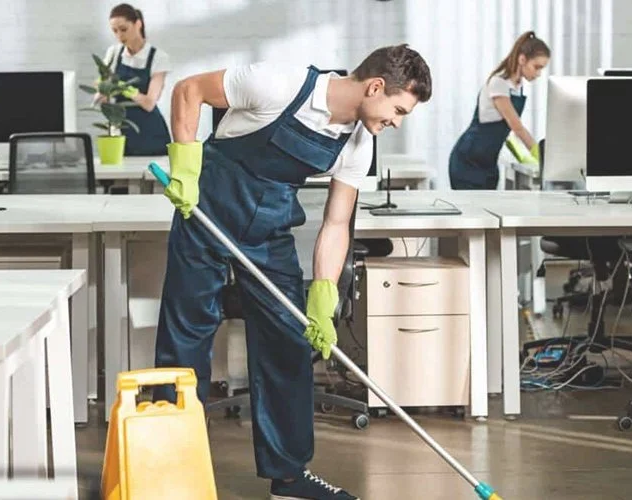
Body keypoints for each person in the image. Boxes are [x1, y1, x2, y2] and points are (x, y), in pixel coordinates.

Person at [154, 45, 432, 500]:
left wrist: (323, 295)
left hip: (270, 231)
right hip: (206, 212)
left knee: (287, 344)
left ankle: (289, 478)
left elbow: (337, 222)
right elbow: (189, 91)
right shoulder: (280, 84)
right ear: (376, 87)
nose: (396, 121)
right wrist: (184, 167)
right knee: (184, 340)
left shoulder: (360, 141)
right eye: (399, 109)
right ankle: (165, 473)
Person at [448, 31, 550, 190]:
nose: (538, 74)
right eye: (536, 67)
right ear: (522, 59)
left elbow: (505, 131)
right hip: (468, 161)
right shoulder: (499, 83)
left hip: (488, 163)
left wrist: (525, 157)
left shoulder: (517, 88)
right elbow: (516, 127)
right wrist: (541, 159)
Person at [99, 3, 172, 155]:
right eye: (115, 31)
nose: (119, 35)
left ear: (138, 24)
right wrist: (101, 91)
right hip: (122, 131)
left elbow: (149, 103)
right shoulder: (113, 53)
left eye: (124, 29)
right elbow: (102, 95)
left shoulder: (158, 57)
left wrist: (123, 88)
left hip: (151, 134)